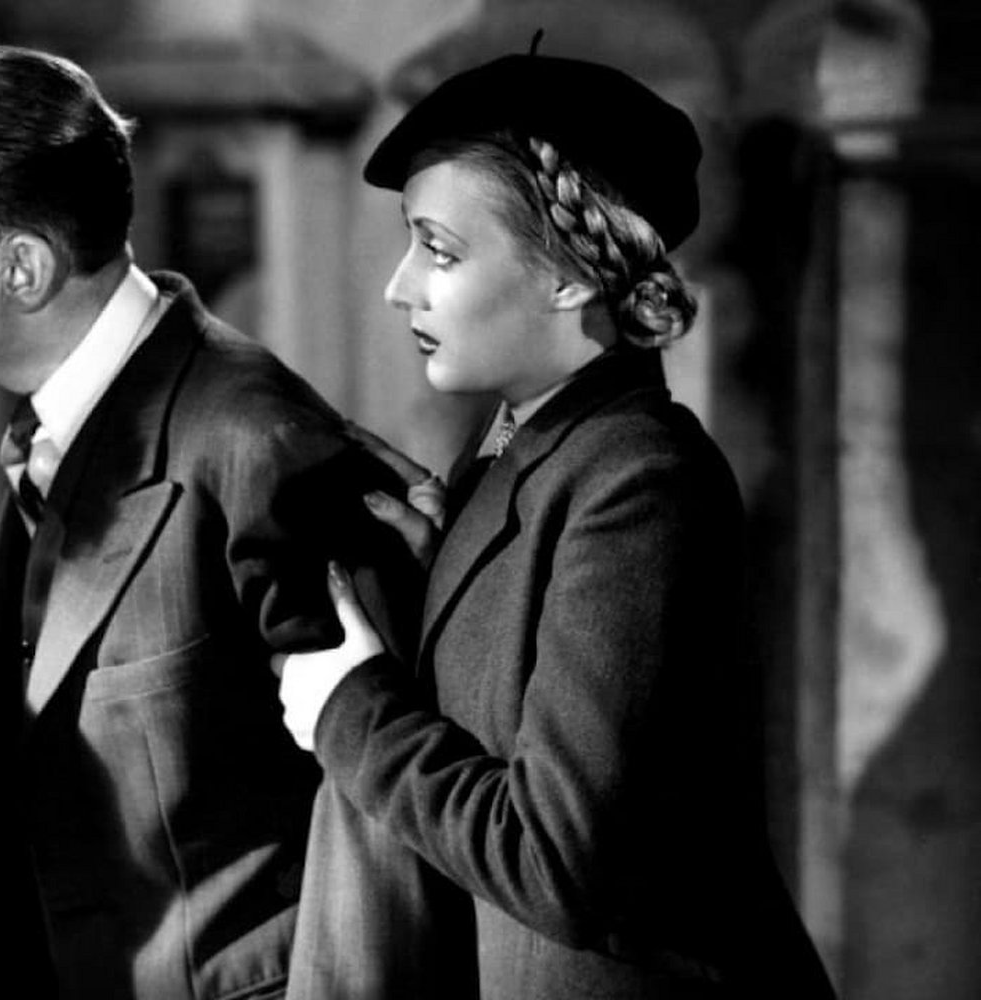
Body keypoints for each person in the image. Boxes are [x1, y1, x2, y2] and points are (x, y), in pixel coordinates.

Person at [0, 44, 419, 1000]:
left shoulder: (263, 450)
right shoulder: (59, 427)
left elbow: (390, 833)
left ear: (22, 268)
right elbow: (12, 715)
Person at [275, 52, 837, 998]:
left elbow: (556, 862)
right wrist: (440, 581)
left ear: (570, 275)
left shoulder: (641, 481)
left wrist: (351, 711)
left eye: (440, 251)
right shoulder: (523, 452)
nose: (401, 288)